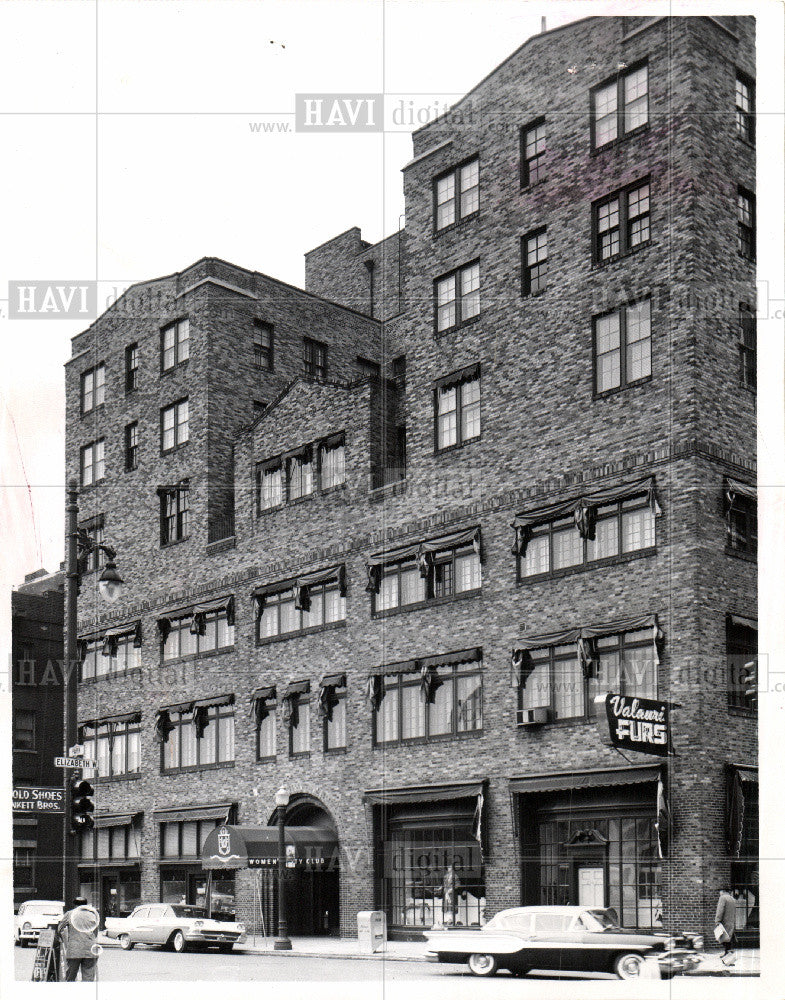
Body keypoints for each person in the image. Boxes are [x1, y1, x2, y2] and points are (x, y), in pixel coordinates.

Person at [56, 897, 99, 982]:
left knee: (71, 976)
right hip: (90, 948)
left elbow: (60, 929)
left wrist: (65, 940)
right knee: (88, 976)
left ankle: (72, 993)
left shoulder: (70, 914)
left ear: (75, 905)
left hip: (74, 949)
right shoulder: (93, 914)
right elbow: (96, 932)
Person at [714, 885, 737, 965]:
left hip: (724, 922)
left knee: (723, 938)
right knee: (728, 939)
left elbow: (720, 910)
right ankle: (726, 953)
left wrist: (717, 920)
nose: (719, 893)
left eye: (720, 891)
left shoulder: (723, 898)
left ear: (723, 891)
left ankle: (728, 956)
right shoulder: (732, 899)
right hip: (731, 922)